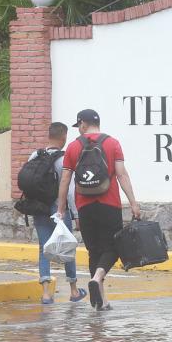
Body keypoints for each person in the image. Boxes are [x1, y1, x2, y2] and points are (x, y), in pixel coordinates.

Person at [56, 109, 141, 312]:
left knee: (94, 251)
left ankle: (101, 301)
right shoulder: (112, 143)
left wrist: (61, 209)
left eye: (79, 126)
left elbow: (65, 180)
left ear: (83, 124)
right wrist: (133, 203)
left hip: (84, 206)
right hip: (109, 203)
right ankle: (97, 279)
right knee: (113, 247)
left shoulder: (73, 147)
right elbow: (122, 175)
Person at [29, 122, 85, 305]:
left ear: (48, 136)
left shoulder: (35, 156)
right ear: (63, 137)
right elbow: (69, 191)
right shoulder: (64, 159)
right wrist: (76, 214)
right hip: (58, 209)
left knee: (44, 248)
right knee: (66, 248)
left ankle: (46, 293)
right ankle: (74, 290)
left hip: (39, 208)